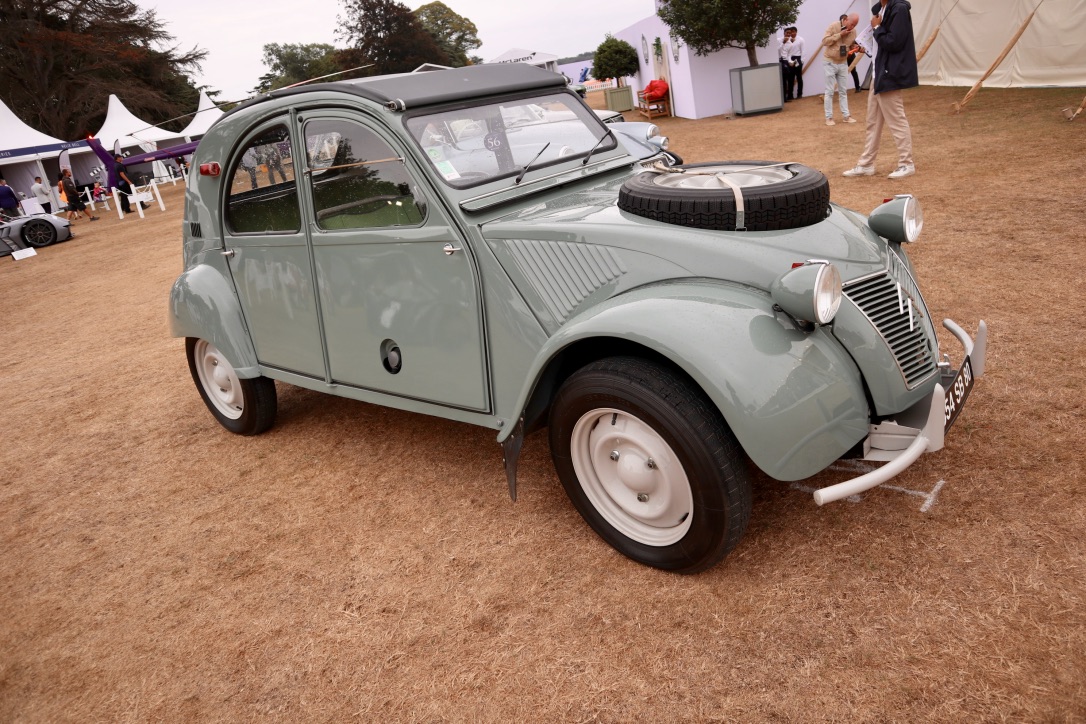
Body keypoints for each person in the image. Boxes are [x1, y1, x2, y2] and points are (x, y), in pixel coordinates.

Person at [843, 0, 919, 179]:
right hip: (879, 74)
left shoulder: (898, 8)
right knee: (873, 123)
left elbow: (894, 42)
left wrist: (877, 29)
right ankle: (866, 164)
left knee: (896, 120)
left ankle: (906, 163)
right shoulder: (881, 9)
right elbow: (882, 45)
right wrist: (867, 46)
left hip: (889, 73)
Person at [822, 13, 859, 125]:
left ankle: (846, 116)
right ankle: (829, 118)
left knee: (843, 91)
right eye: (852, 24)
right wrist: (839, 35)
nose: (852, 27)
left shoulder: (853, 31)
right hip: (829, 62)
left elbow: (851, 45)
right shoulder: (834, 26)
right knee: (829, 91)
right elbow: (824, 41)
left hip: (843, 62)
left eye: (855, 25)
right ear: (846, 20)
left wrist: (855, 47)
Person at [787, 27, 805, 100]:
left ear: (796, 32)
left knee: (799, 77)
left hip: (797, 59)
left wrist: (802, 61)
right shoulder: (788, 40)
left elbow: (803, 51)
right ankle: (790, 95)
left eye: (793, 32)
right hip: (790, 59)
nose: (792, 33)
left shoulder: (800, 40)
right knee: (790, 77)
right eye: (791, 32)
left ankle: (799, 94)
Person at [778, 28, 794, 101]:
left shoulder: (790, 44)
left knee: (785, 80)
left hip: (784, 61)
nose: (788, 34)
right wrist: (783, 43)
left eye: (789, 33)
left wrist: (790, 62)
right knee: (779, 80)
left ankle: (785, 97)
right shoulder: (779, 40)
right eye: (787, 33)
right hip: (778, 60)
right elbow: (777, 50)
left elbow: (789, 55)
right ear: (784, 33)